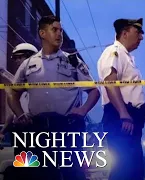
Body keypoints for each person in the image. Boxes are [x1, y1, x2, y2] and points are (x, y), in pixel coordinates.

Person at [7, 15, 100, 180]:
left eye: (61, 31)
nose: (59, 34)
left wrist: (83, 110)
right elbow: (13, 92)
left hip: (67, 128)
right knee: (35, 174)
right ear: (42, 33)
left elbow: (94, 91)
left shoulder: (72, 61)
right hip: (37, 130)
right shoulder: (28, 64)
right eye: (54, 30)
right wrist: (20, 115)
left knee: (73, 174)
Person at [97, 18, 145, 180]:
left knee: (133, 169)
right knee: (124, 170)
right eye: (137, 32)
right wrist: (123, 113)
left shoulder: (126, 57)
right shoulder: (114, 52)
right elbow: (110, 83)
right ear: (124, 33)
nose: (141, 37)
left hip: (130, 118)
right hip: (121, 117)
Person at [0, 43, 38, 143]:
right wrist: (2, 132)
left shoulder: (40, 80)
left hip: (37, 131)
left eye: (19, 57)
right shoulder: (18, 86)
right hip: (20, 132)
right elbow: (13, 114)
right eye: (15, 58)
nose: (17, 61)